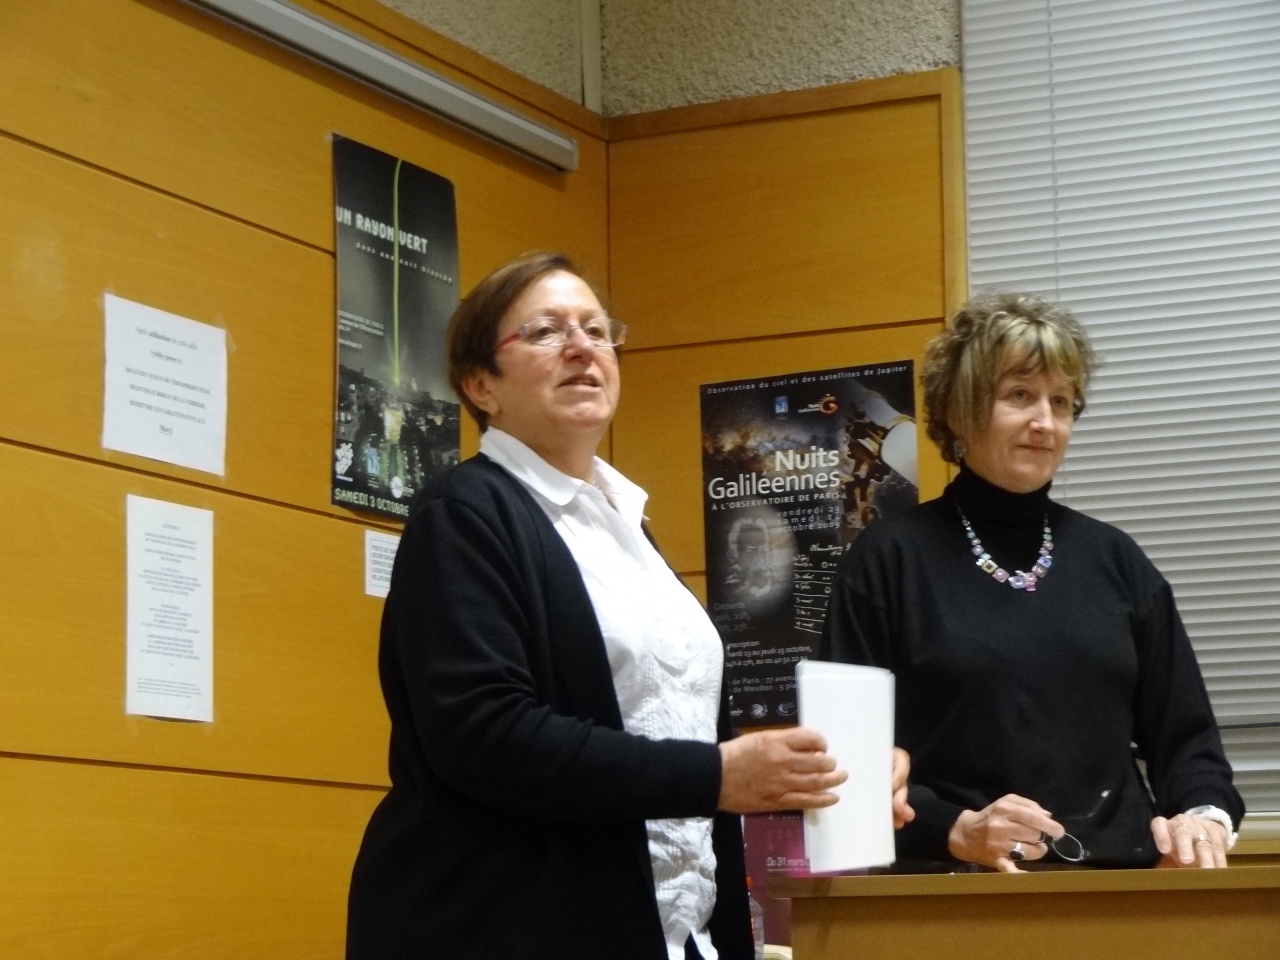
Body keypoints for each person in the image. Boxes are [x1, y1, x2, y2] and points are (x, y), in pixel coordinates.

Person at [346, 251, 912, 960]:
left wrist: (809, 776)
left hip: (674, 929)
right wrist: (718, 776)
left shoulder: (626, 525)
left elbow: (665, 726)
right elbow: (485, 736)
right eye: (546, 331)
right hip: (504, 924)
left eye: (596, 329)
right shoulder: (462, 514)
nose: (582, 346)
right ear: (480, 384)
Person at [820, 291, 1243, 873]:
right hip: (951, 893)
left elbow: (1189, 744)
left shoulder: (1117, 560)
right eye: (1019, 395)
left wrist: (1203, 817)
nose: (1045, 422)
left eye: (1061, 401)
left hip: (1122, 890)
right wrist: (956, 830)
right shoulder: (887, 560)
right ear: (960, 412)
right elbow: (843, 767)